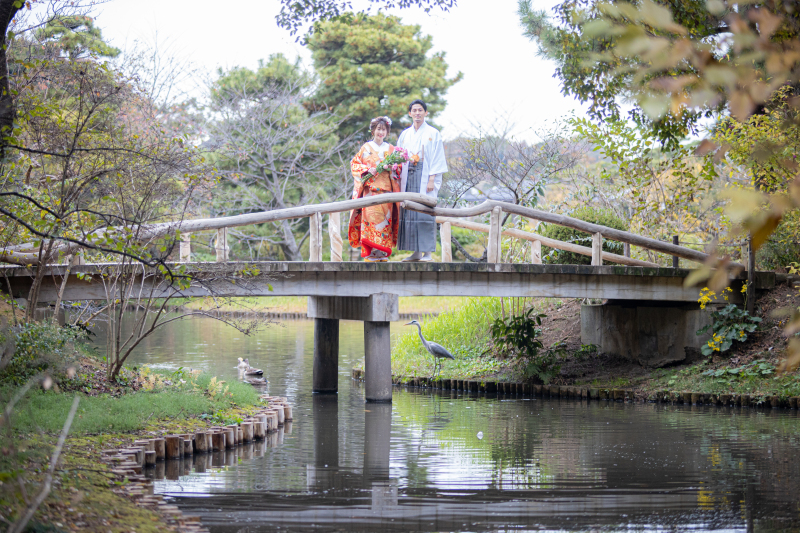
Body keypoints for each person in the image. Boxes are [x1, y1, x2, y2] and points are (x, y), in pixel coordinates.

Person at [396, 99, 448, 262]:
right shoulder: (405, 134)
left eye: (420, 110)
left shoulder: (433, 133)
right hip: (408, 173)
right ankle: (416, 252)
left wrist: (432, 178)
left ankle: (427, 253)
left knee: (425, 210)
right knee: (409, 211)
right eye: (414, 110)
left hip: (425, 174)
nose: (417, 113)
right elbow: (398, 155)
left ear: (426, 113)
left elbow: (438, 158)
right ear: (410, 113)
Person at [348, 116, 402, 262]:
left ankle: (382, 253)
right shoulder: (365, 148)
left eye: (384, 130)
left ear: (387, 132)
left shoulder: (391, 149)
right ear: (373, 130)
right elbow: (354, 164)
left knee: (385, 222)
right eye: (378, 129)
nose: (381, 132)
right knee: (371, 222)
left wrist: (394, 168)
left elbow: (399, 169)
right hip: (370, 192)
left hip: (386, 192)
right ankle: (372, 253)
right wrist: (367, 170)